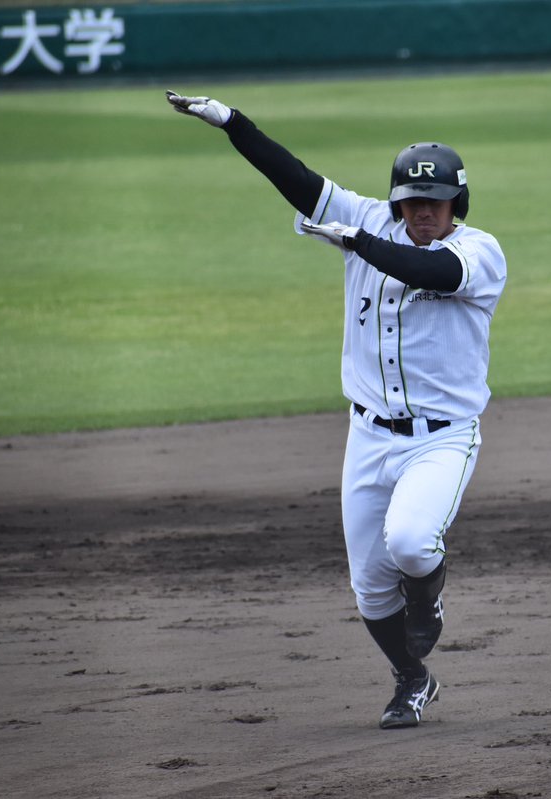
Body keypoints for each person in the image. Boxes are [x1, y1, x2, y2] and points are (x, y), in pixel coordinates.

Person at [165, 91, 507, 729]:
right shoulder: (369, 220)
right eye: (409, 203)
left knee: (410, 542)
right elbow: (294, 178)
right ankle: (412, 681)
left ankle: (429, 599)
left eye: (434, 203)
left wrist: (356, 240)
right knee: (371, 590)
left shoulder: (479, 251)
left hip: (442, 439)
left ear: (456, 205)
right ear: (395, 203)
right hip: (368, 437)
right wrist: (233, 125)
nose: (420, 213)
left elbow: (427, 272)